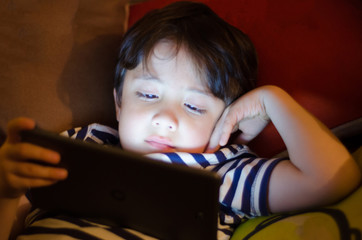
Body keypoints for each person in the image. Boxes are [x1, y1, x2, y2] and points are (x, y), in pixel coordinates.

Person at [0, 2, 360, 240]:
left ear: (226, 120)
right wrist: (6, 189)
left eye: (194, 106)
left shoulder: (222, 173)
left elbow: (332, 178)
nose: (165, 118)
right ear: (119, 104)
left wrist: (273, 100)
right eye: (149, 95)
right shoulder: (83, 143)